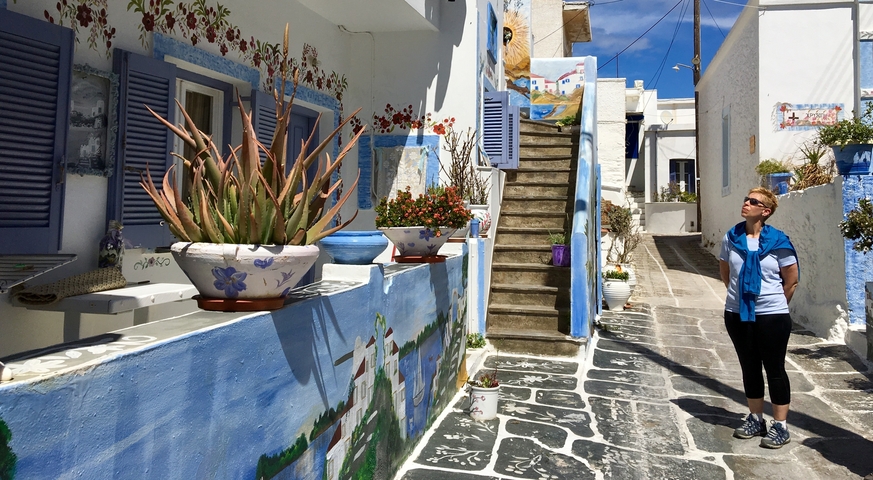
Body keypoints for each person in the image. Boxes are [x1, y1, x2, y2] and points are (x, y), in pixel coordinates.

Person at [718, 187, 799, 449]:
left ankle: (780, 426)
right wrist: (739, 299)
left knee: (774, 370)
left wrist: (771, 305)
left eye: (753, 201)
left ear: (765, 211)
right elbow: (726, 271)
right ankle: (755, 418)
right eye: (746, 199)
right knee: (749, 367)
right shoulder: (732, 237)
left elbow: (791, 281)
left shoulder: (778, 242)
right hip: (737, 312)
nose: (746, 203)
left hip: (772, 315)